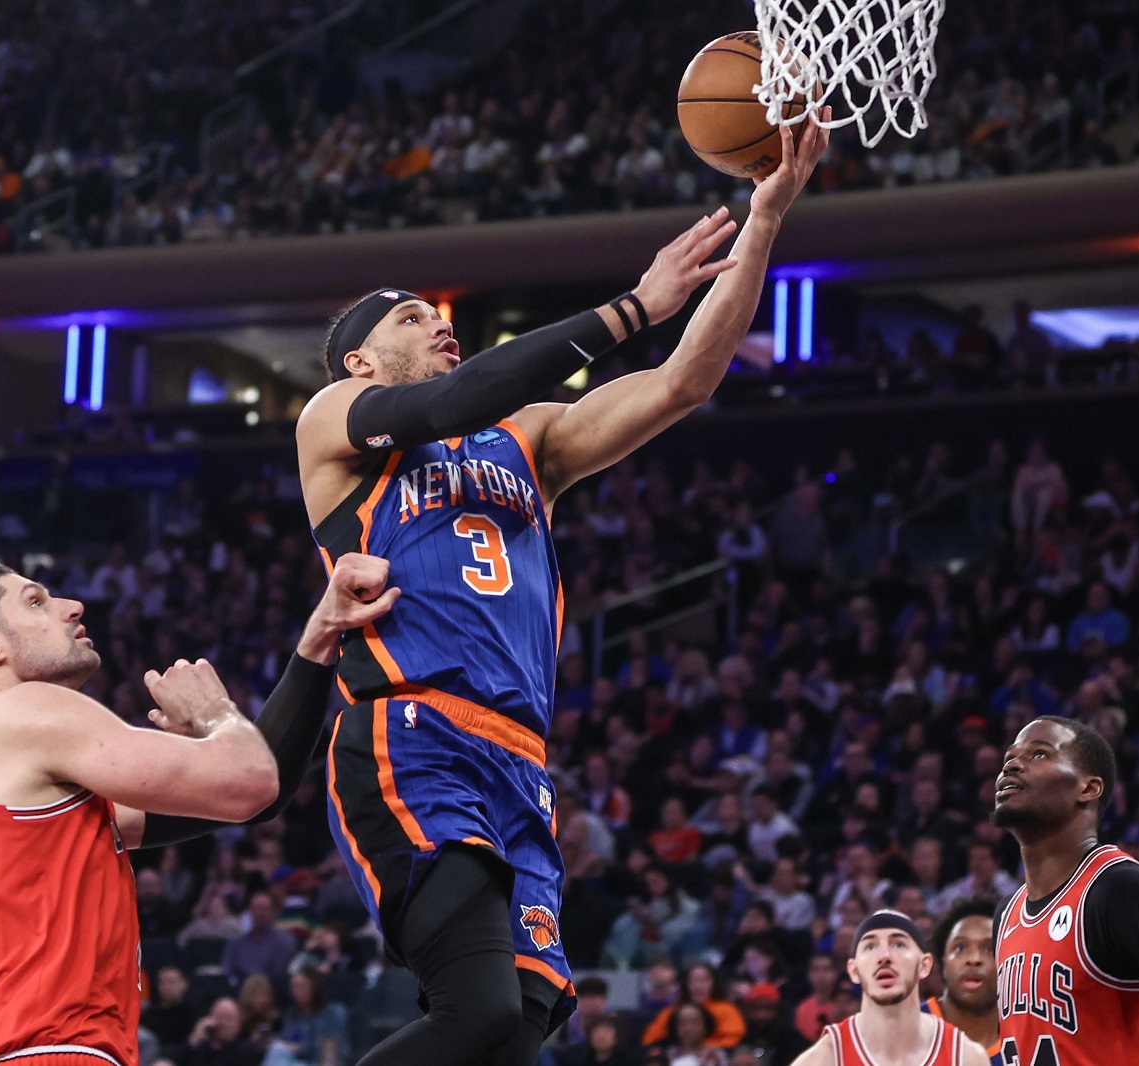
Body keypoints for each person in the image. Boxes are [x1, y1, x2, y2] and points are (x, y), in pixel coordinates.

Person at [295, 102, 830, 1066]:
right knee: (483, 1009)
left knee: (530, 1020)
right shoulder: (336, 420)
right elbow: (458, 397)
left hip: (520, 756)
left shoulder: (531, 440)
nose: (440, 324)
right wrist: (631, 308)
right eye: (415, 319)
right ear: (366, 360)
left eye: (441, 313)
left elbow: (682, 383)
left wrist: (764, 223)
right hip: (411, 729)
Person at [0, 553, 398, 1066]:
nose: (74, 606)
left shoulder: (25, 780)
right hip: (51, 1051)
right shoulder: (21, 708)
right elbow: (249, 782)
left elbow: (258, 792)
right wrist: (214, 713)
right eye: (36, 601)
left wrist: (322, 633)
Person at [991, 716, 1139, 1066]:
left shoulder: (1118, 889)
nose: (1013, 764)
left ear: (1088, 789)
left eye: (1040, 754)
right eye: (1009, 757)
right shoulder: (1006, 915)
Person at [789, 911, 988, 1066]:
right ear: (854, 970)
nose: (884, 955)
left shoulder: (964, 1057)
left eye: (899, 944)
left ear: (924, 965)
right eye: (870, 946)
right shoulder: (823, 1059)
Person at [921, 898, 1000, 1066]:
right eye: (960, 948)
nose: (974, 959)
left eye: (989, 949)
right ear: (942, 963)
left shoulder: (1031, 1035)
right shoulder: (908, 1028)